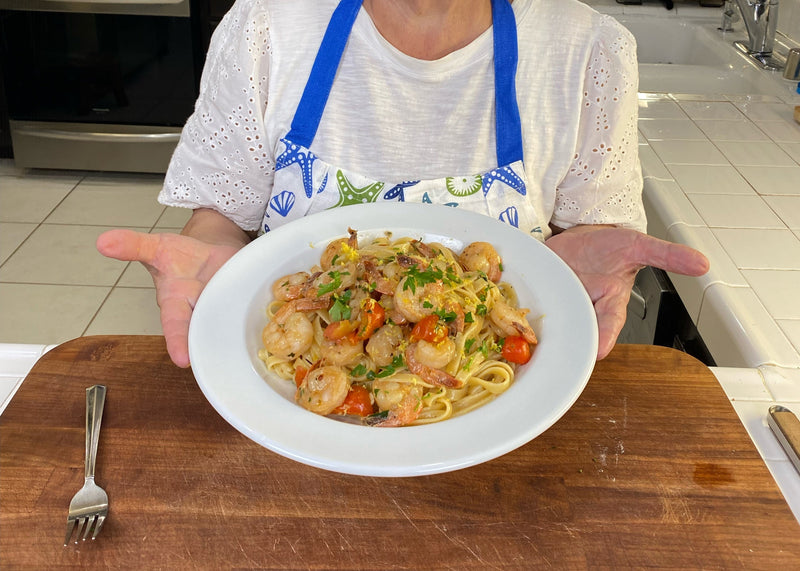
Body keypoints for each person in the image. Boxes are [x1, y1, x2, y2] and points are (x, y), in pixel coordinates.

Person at [97, 0, 709, 368]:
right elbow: (220, 221)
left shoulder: (588, 48)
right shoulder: (266, 26)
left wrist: (595, 240)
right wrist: (212, 253)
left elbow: (588, 230)